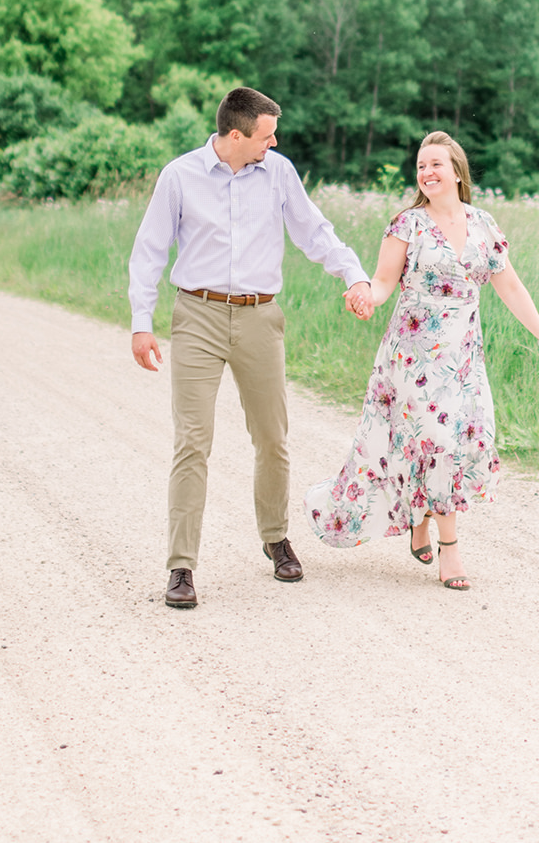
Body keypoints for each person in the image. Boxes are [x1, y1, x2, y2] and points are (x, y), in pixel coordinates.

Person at [129, 85, 374, 609]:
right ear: (235, 135)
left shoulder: (279, 173)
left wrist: (353, 276)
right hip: (197, 314)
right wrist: (140, 322)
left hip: (261, 317)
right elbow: (149, 249)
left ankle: (275, 536)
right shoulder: (180, 176)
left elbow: (315, 231)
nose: (274, 141)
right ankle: (181, 567)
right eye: (266, 135)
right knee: (192, 441)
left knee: (272, 436)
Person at [304, 131, 539, 589]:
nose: (426, 172)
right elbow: (384, 282)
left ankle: (421, 517)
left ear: (457, 172)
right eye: (421, 166)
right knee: (435, 443)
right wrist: (366, 295)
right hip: (413, 358)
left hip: (463, 357)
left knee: (457, 443)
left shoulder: (484, 225)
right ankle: (451, 551)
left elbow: (510, 287)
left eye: (436, 164)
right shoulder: (407, 224)